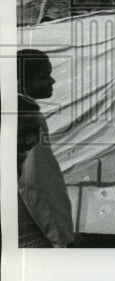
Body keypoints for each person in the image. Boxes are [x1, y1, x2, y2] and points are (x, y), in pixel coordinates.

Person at [17, 49, 75, 248]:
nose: (52, 81)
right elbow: (38, 182)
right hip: (30, 226)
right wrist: (61, 237)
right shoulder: (27, 119)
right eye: (44, 76)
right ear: (21, 84)